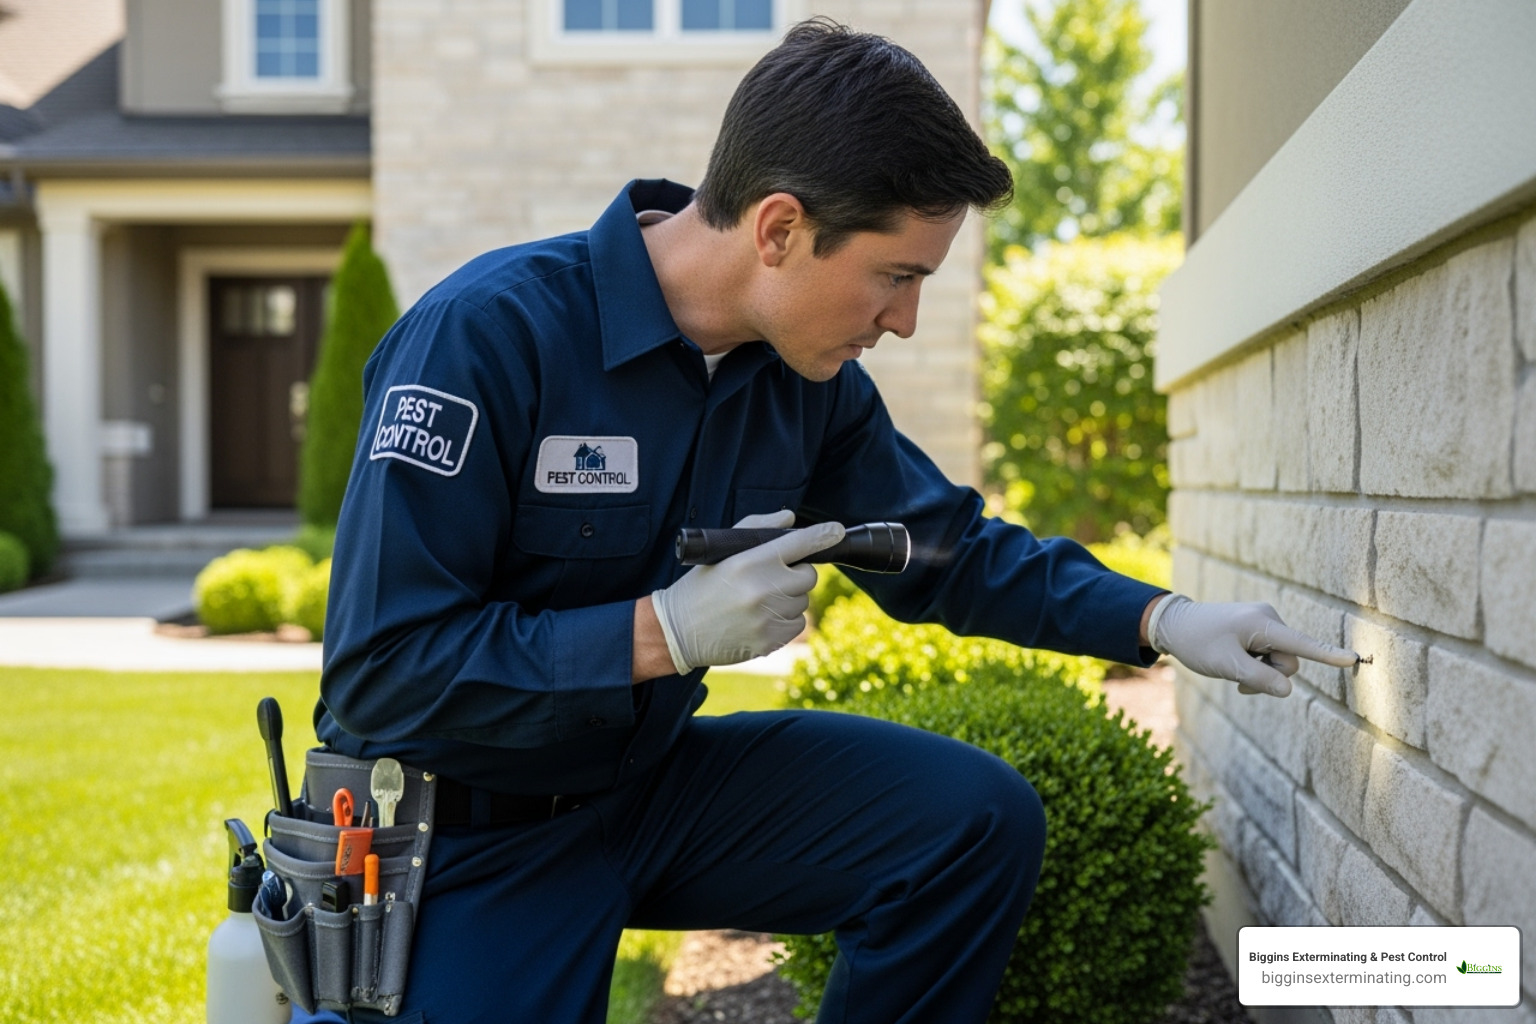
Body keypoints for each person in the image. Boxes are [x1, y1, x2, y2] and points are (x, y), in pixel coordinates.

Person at [307, 19, 1357, 1024]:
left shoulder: (804, 381)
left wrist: (1164, 621)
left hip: (645, 792)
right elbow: (383, 668)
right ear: (779, 228)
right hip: (459, 835)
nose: (903, 318)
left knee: (971, 824)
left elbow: (943, 552)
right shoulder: (484, 338)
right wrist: (662, 635)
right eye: (895, 276)